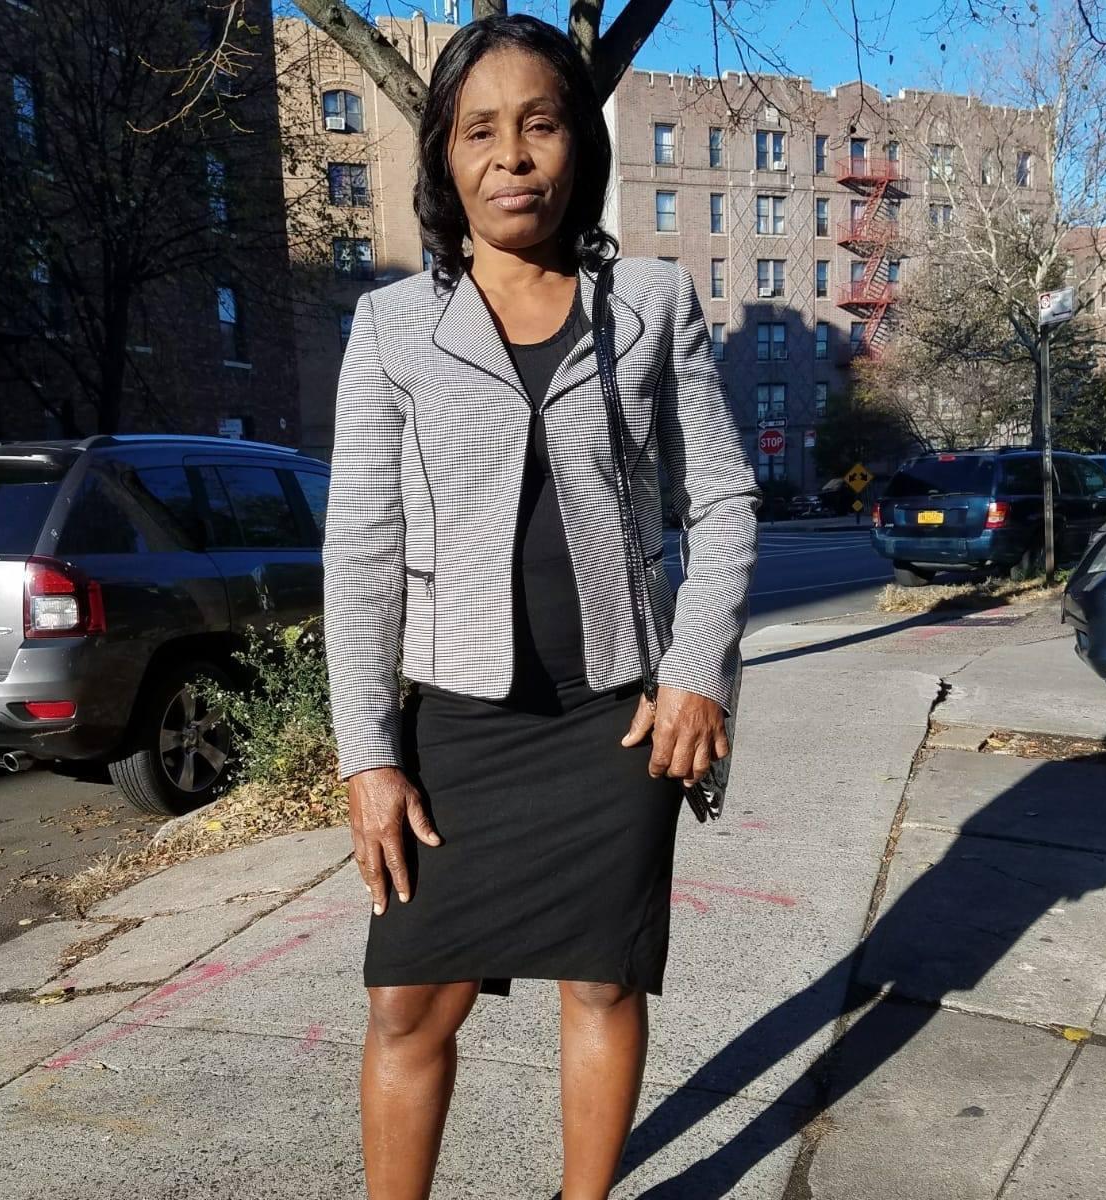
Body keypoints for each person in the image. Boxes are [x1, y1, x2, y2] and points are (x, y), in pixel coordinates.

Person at [324, 14, 759, 1198]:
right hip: (459, 725)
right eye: (479, 130)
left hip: (616, 718)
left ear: (579, 147)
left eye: (540, 124)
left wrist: (697, 670)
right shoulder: (392, 328)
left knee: (603, 983)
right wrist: (369, 755)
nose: (511, 155)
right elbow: (359, 551)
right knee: (408, 1001)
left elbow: (724, 502)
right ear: (444, 155)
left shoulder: (651, 303)